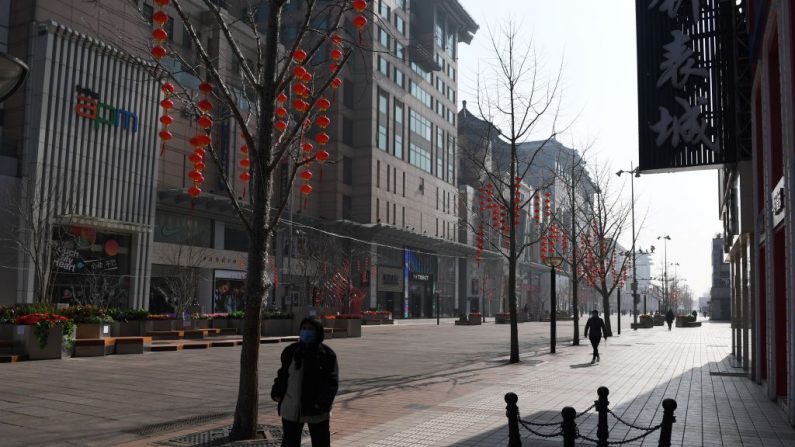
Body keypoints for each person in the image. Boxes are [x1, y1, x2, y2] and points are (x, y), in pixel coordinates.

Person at [271, 318, 339, 447]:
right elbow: (283, 374)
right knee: (290, 442)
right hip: (292, 408)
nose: (306, 332)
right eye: (304, 328)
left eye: (310, 329)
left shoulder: (326, 354)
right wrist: (277, 391)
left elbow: (331, 382)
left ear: (318, 332)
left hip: (316, 410)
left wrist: (322, 404)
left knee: (320, 442)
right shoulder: (291, 351)